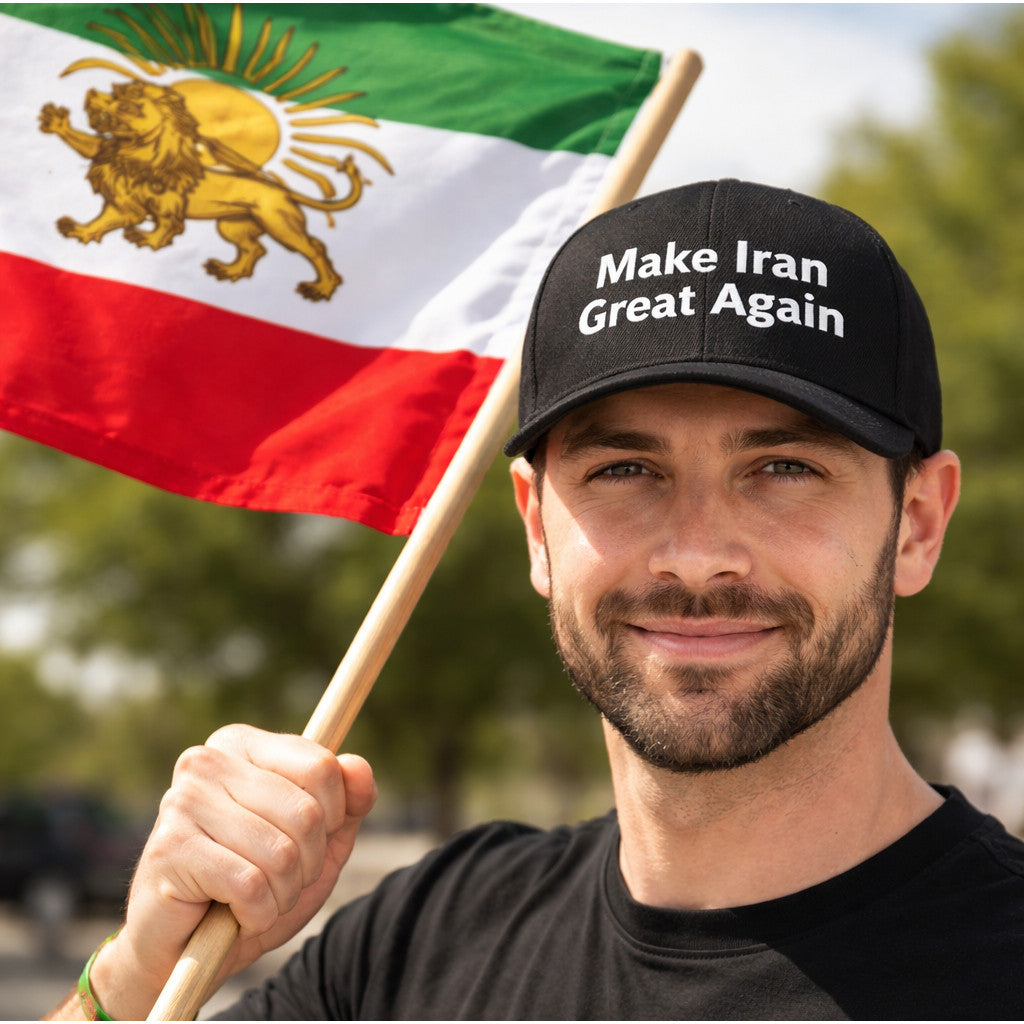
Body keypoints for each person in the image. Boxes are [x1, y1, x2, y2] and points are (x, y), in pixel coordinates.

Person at [49, 180, 1024, 1020]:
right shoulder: (416, 947)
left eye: (781, 466)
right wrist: (139, 966)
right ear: (533, 524)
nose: (694, 556)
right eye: (625, 468)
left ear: (917, 523)